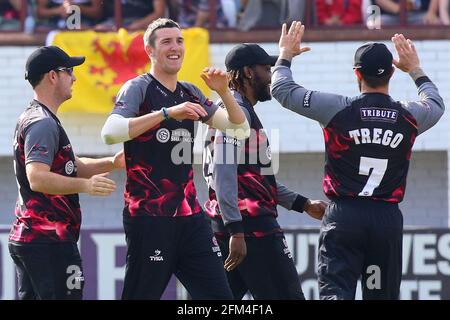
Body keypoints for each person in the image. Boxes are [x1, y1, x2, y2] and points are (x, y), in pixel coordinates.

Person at [271, 22, 445, 299]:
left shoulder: (337, 108)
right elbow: (436, 105)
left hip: (344, 215)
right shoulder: (409, 115)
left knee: (336, 294)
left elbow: (282, 90)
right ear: (391, 72)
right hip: (386, 217)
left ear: (356, 73)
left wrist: (285, 54)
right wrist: (415, 70)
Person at [101, 18, 250, 300]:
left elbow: (240, 130)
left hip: (191, 219)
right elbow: (109, 134)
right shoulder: (138, 88)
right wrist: (168, 113)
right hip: (149, 218)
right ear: (150, 50)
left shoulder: (190, 91)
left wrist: (223, 92)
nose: (175, 47)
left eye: (179, 41)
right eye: (166, 41)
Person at [202, 43, 328, 299]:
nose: (271, 77)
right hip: (249, 229)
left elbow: (259, 180)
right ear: (248, 72)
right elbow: (223, 175)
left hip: (234, 226)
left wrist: (303, 204)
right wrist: (236, 230)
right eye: (267, 69)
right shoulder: (236, 113)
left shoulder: (231, 109)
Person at [8, 45, 124, 300]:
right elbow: (37, 177)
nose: (74, 78)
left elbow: (71, 166)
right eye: (69, 71)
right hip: (48, 242)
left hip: (36, 239)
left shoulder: (38, 117)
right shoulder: (43, 123)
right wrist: (85, 186)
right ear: (52, 76)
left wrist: (113, 162)